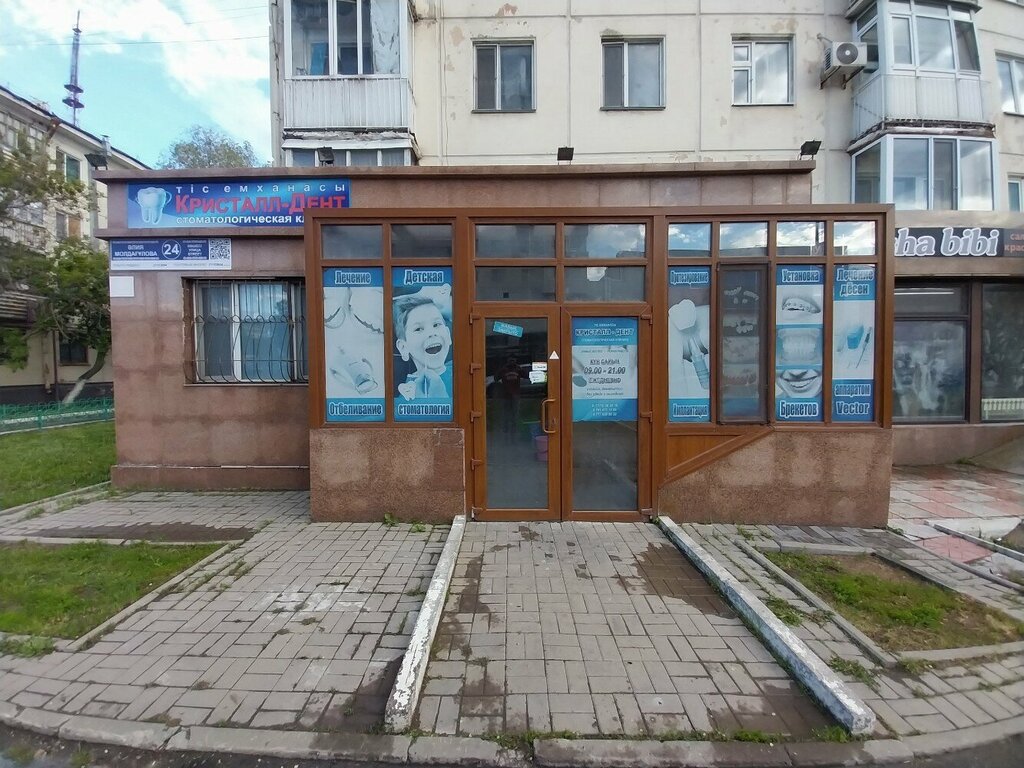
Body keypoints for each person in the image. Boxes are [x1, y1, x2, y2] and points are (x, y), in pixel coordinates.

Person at [394, 294, 452, 401]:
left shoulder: (460, 369)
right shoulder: (409, 394)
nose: (431, 333)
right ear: (403, 348)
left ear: (448, 336)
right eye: (418, 329)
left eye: (436, 325)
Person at [495, 356, 522, 437]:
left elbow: (527, 376)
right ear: (507, 362)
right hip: (506, 395)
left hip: (515, 395)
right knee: (505, 414)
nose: (512, 363)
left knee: (515, 414)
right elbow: (496, 378)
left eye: (513, 361)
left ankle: (514, 429)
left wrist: (519, 369)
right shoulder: (504, 370)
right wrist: (502, 369)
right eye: (510, 361)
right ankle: (505, 429)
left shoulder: (518, 369)